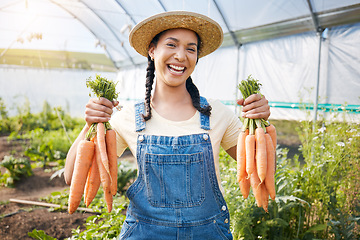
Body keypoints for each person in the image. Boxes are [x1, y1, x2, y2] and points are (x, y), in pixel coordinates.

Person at [65, 11, 270, 240]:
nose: (181, 56)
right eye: (171, 45)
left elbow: (261, 167)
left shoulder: (217, 113)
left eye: (191, 49)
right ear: (152, 50)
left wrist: (260, 124)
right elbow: (71, 175)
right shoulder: (129, 117)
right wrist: (90, 126)